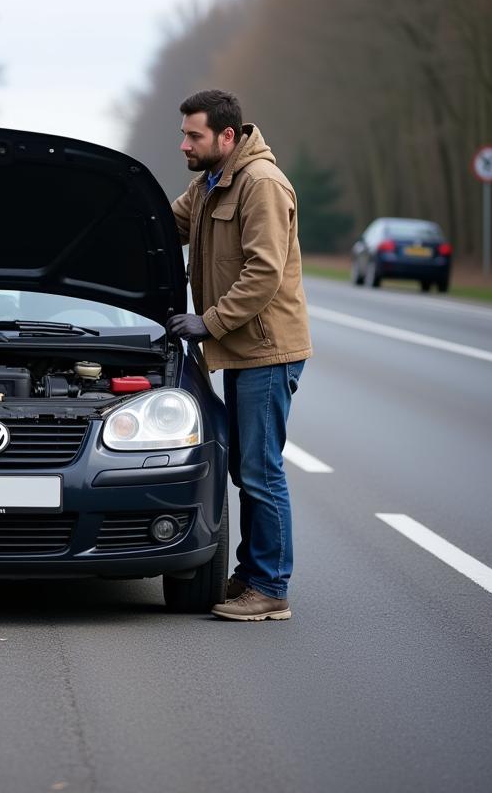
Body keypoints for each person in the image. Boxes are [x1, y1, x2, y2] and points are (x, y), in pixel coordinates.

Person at [166, 89, 311, 622]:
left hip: (267, 351)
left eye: (194, 135)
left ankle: (270, 587)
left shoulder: (261, 185)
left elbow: (263, 273)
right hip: (240, 350)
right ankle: (251, 575)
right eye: (184, 133)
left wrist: (208, 322)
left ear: (227, 136)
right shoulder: (210, 182)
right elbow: (164, 226)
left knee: (259, 469)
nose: (184, 143)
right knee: (245, 466)